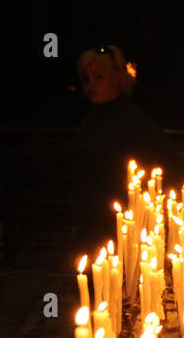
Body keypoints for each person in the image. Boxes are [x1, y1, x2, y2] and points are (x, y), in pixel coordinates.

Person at [68, 44, 177, 247]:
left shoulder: (135, 121)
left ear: (118, 76)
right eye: (86, 79)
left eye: (99, 77)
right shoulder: (89, 121)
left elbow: (164, 163)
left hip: (125, 226)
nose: (91, 84)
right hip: (91, 225)